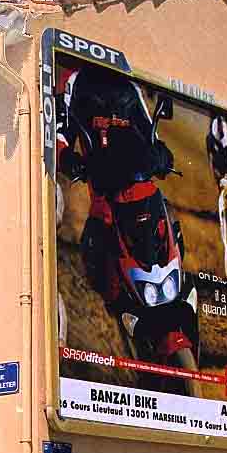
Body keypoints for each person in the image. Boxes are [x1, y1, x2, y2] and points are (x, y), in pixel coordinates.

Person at [55, 61, 174, 302]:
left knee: (168, 233)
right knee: (98, 260)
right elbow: (59, 128)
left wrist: (162, 154)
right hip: (106, 192)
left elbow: (150, 132)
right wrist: (67, 157)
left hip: (142, 187)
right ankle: (111, 309)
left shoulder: (128, 84)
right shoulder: (74, 77)